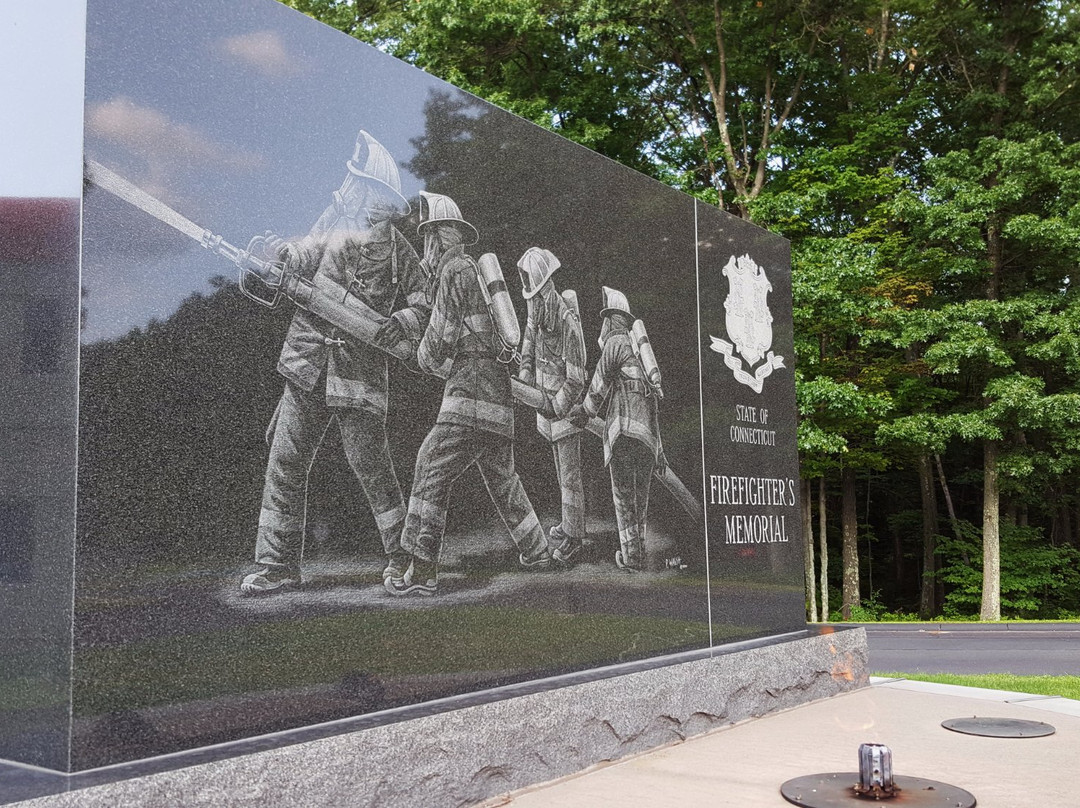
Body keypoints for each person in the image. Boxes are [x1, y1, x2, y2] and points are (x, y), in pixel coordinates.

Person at [240, 131, 429, 594]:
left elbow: (426, 303)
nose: (346, 186)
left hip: (358, 374)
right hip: (306, 362)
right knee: (284, 460)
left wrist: (401, 320)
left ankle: (402, 558)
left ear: (378, 197)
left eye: (355, 180)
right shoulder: (333, 219)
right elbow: (301, 260)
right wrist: (279, 254)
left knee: (371, 465)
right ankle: (277, 564)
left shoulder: (398, 251)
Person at [385, 192, 552, 596]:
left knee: (430, 467)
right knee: (503, 478)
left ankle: (421, 571)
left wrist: (418, 356)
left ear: (439, 237)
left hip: (468, 398)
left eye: (426, 239)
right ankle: (538, 551)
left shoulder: (454, 271)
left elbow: (439, 340)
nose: (423, 249)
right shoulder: (475, 270)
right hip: (497, 401)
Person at [570, 287, 664, 571]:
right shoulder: (641, 354)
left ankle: (631, 558)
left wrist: (583, 412)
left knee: (624, 497)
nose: (604, 325)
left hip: (624, 434)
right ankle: (639, 553)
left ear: (613, 318)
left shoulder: (616, 343)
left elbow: (599, 384)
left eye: (606, 318)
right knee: (641, 500)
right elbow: (654, 406)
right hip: (647, 439)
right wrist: (660, 450)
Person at [516, 247, 587, 562]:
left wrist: (557, 405)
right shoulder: (536, 314)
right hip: (545, 407)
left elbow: (576, 378)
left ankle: (574, 537)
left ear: (548, 291)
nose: (532, 307)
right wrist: (525, 375)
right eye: (530, 301)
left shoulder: (568, 322)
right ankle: (568, 522)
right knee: (561, 474)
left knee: (570, 475)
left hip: (565, 408)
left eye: (536, 299)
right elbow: (528, 347)